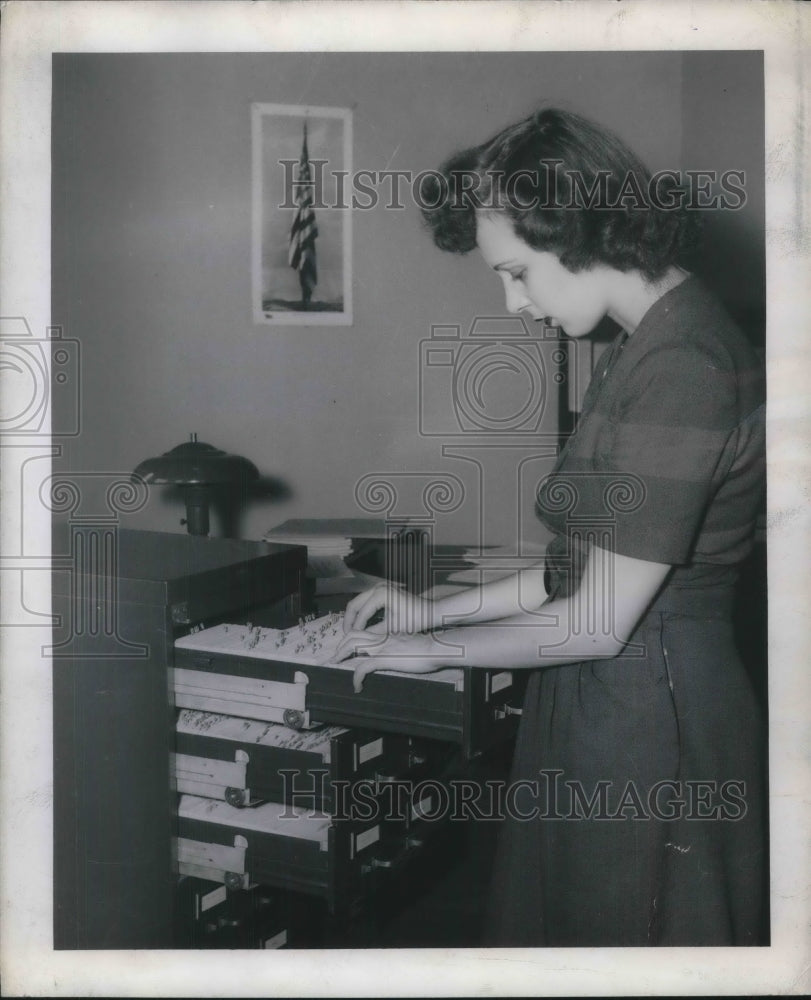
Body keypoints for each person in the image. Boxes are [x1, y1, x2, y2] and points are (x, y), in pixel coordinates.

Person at [335, 108, 766, 946]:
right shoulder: (645, 342)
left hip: (654, 715)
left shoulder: (682, 365)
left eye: (518, 272)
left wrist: (433, 652)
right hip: (610, 692)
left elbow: (596, 618)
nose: (513, 302)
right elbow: (577, 570)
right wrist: (436, 610)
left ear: (578, 230)